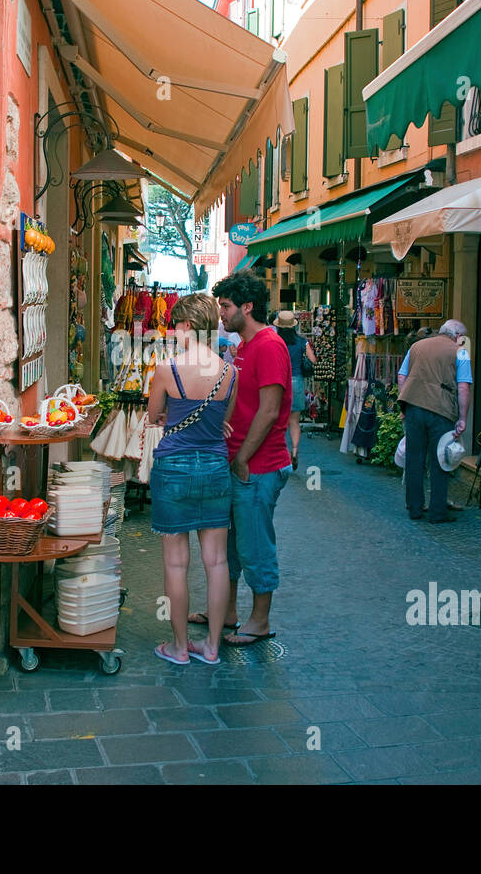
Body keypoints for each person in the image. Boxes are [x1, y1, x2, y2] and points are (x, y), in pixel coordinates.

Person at [146, 293, 238, 666]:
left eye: (176, 325)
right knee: (217, 563)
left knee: (175, 564)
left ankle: (180, 647)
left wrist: (169, 416)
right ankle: (213, 648)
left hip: (175, 469)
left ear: (185, 325)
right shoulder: (230, 372)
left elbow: (154, 416)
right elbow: (221, 422)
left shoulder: (168, 369)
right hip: (215, 468)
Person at [211, 271, 292, 646]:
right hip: (240, 462)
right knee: (229, 544)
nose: (221, 314)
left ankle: (260, 620)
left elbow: (270, 410)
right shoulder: (242, 346)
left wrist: (243, 458)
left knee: (256, 544)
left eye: (226, 306)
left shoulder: (269, 346)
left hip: (259, 467)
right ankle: (227, 612)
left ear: (247, 306)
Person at [396, 318, 472, 523]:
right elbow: (464, 387)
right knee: (441, 460)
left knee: (414, 458)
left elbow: (401, 376)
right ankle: (438, 512)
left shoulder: (416, 346)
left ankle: (414, 508)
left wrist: (404, 402)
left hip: (413, 406)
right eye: (462, 337)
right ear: (457, 336)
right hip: (441, 410)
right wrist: (463, 418)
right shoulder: (460, 352)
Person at [273, 311, 315, 470]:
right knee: (294, 421)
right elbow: (313, 360)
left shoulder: (276, 341)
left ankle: (281, 453)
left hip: (278, 381)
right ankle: (295, 452)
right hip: (296, 381)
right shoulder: (302, 341)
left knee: (278, 420)